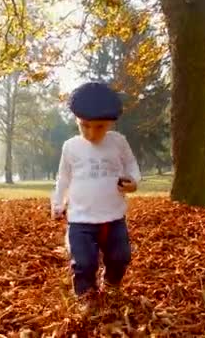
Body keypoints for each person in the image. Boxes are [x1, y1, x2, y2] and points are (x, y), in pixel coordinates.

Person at [51, 82, 141, 315]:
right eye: (84, 126)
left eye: (99, 126)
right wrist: (58, 203)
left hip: (113, 216)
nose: (91, 133)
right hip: (80, 218)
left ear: (111, 123)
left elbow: (131, 164)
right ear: (76, 120)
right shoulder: (70, 147)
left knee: (121, 256)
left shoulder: (118, 142)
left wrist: (133, 181)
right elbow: (63, 177)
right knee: (83, 262)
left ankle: (111, 284)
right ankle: (86, 295)